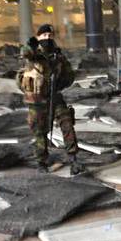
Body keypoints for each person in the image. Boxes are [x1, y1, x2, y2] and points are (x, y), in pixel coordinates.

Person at [17, 25, 82, 174]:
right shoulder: (32, 53)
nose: (47, 38)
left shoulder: (57, 56)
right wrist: (31, 45)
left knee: (67, 125)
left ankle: (73, 160)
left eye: (50, 35)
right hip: (36, 100)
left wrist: (61, 81)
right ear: (39, 37)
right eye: (44, 35)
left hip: (55, 97)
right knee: (39, 132)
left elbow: (69, 75)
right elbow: (25, 53)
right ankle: (41, 163)